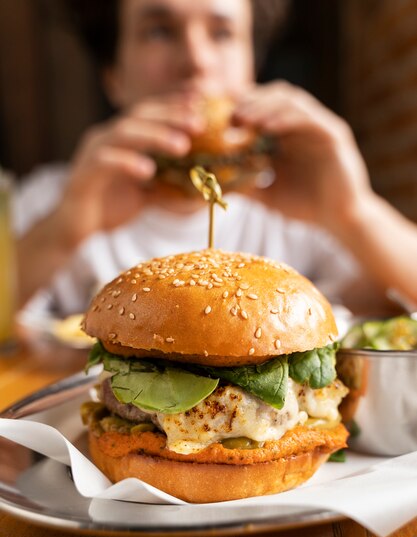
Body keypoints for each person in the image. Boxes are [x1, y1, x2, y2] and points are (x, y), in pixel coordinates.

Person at [14, 0, 417, 318]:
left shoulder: (300, 206)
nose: (196, 60)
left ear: (251, 68)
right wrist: (63, 229)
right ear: (113, 75)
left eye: (222, 33)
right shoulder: (50, 199)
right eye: (158, 31)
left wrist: (355, 213)